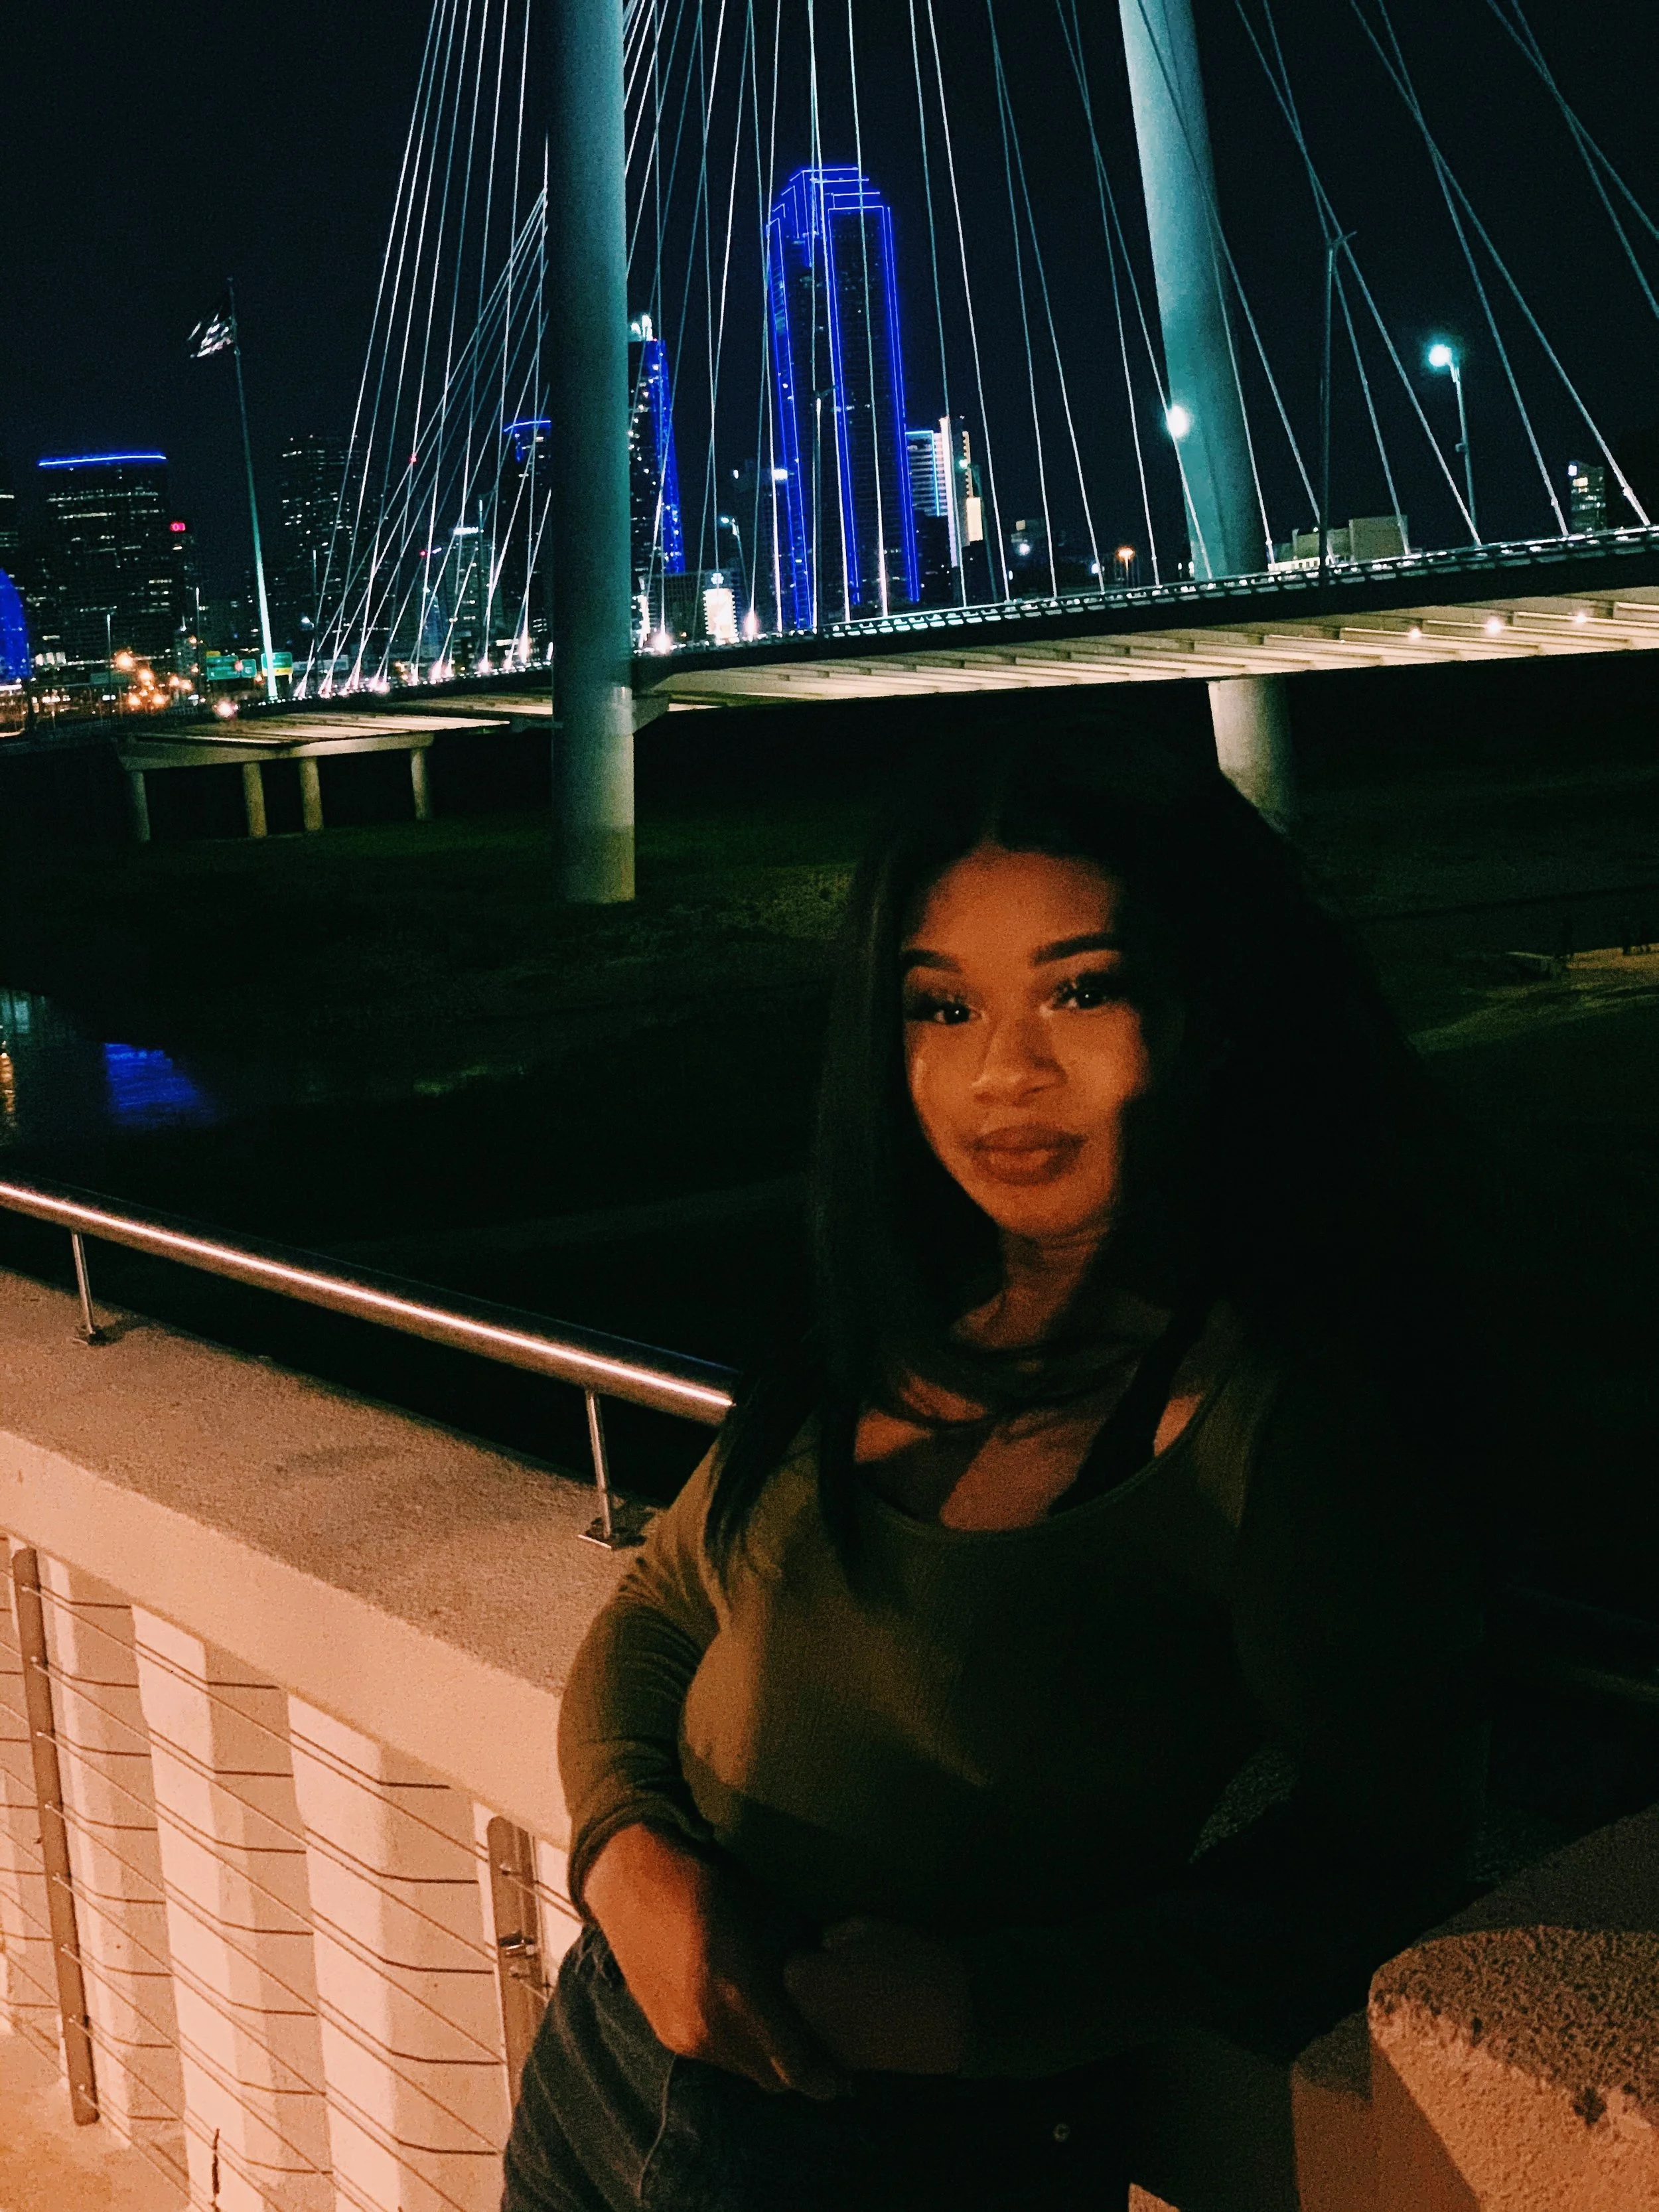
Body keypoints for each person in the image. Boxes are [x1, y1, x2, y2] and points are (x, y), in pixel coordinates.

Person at [502, 725, 1492, 2211]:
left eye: (1078, 990)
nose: (1000, 1074)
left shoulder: (1255, 1417)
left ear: (1212, 1009)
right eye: (941, 1005)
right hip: (609, 2056)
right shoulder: (902, 1318)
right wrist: (624, 1851)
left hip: (881, 2144)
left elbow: (1381, 1835)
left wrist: (989, 2007)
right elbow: (658, 1606)